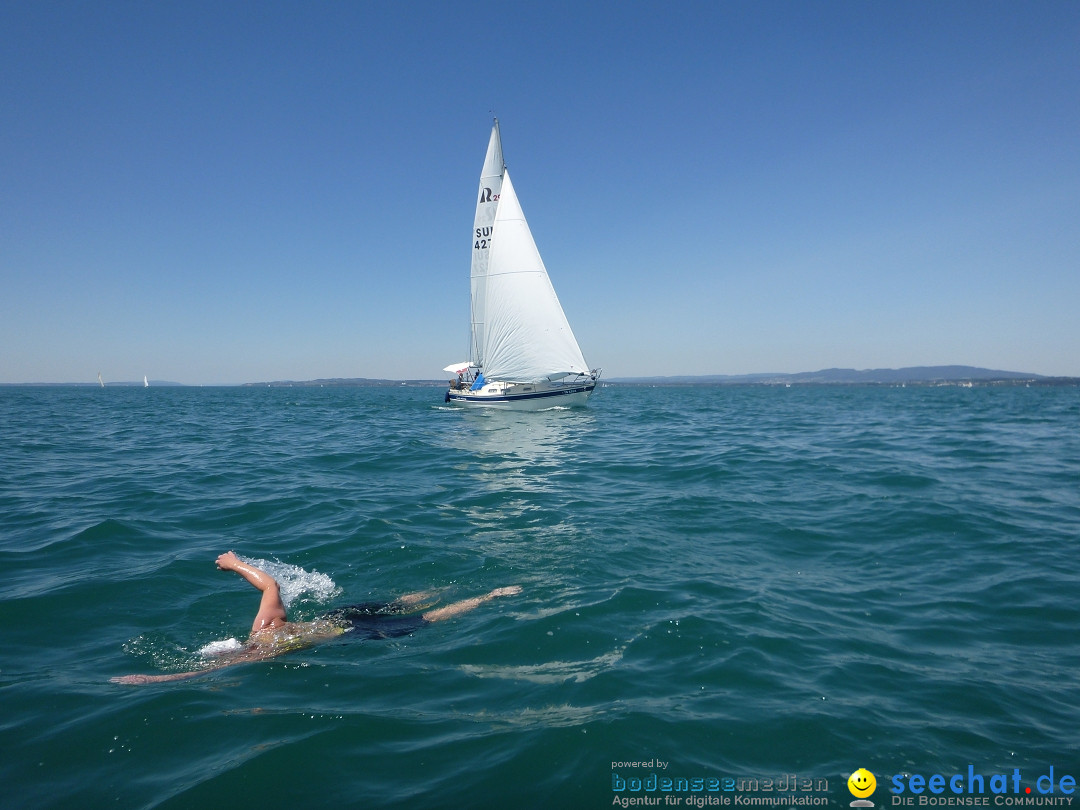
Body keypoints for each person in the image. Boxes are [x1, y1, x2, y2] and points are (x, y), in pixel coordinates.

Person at [111, 551, 521, 685]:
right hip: (339, 618)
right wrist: (235, 563)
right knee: (401, 606)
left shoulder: (261, 646)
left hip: (348, 632)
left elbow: (198, 675)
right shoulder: (267, 628)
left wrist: (154, 680)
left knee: (428, 620)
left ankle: (489, 595)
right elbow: (270, 585)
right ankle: (471, 589)